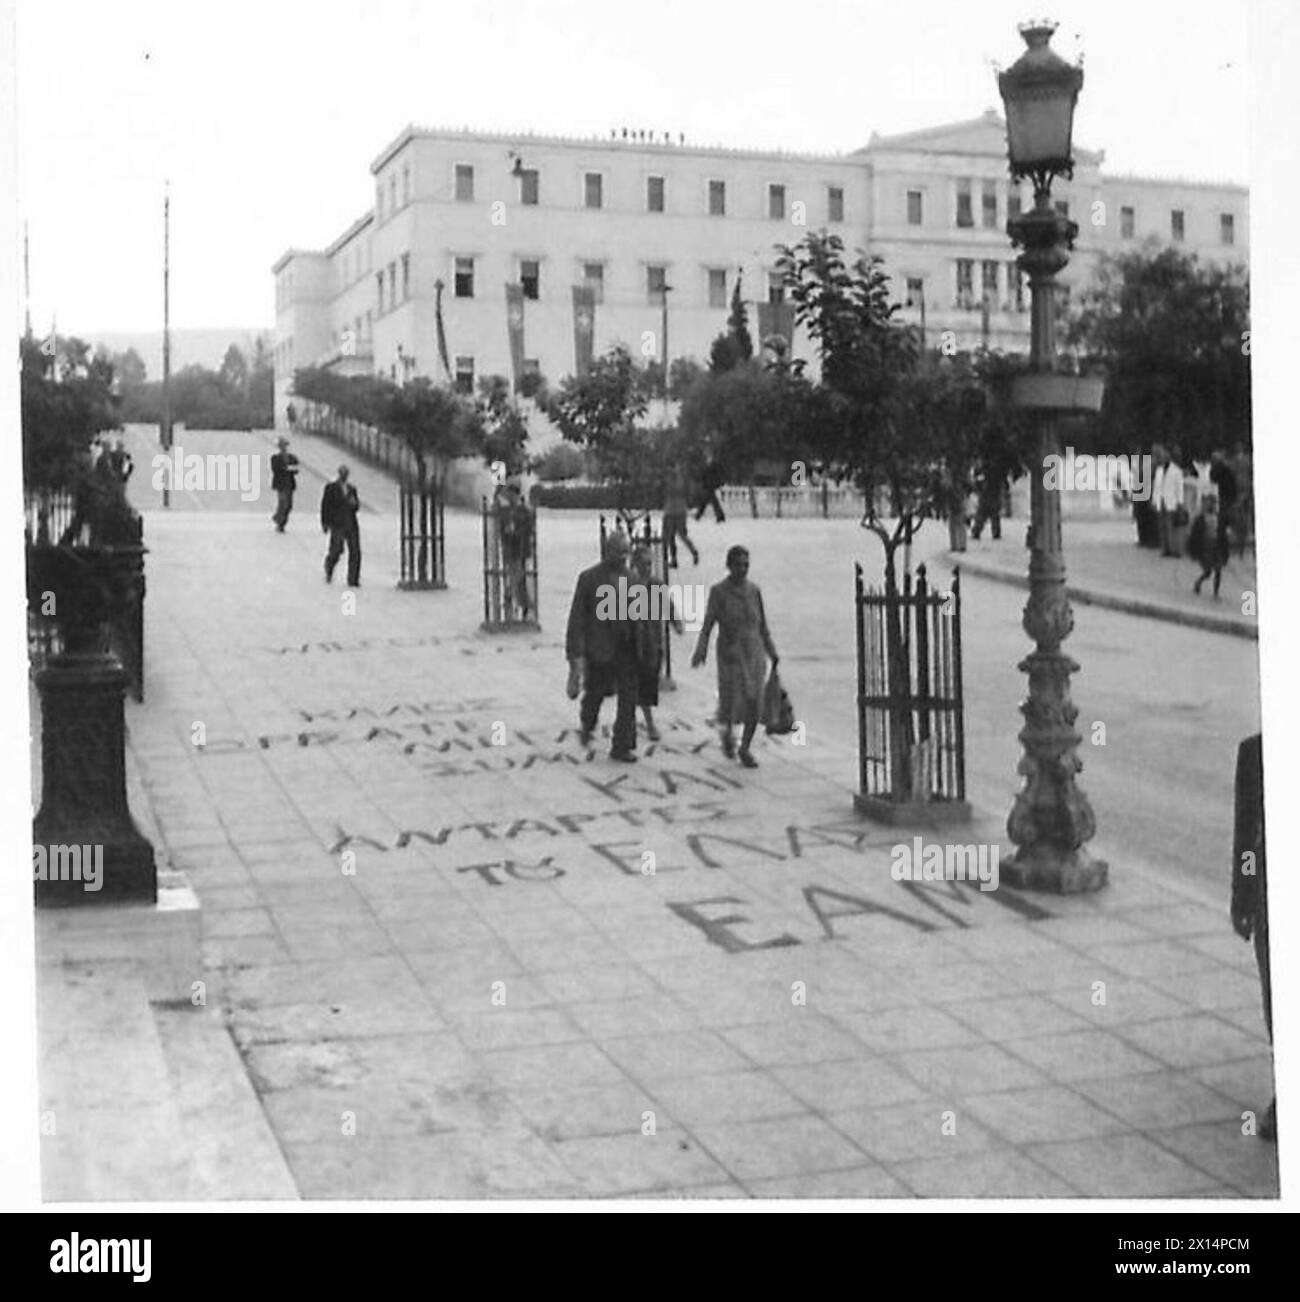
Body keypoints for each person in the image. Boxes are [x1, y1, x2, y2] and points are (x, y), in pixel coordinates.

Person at [691, 544, 778, 768]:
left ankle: (746, 747)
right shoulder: (719, 592)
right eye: (738, 565)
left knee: (755, 703)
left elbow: (763, 625)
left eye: (746, 565)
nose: (743, 569)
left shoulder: (754, 591)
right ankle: (727, 733)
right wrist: (701, 648)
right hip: (730, 653)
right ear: (729, 566)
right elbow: (708, 623)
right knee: (730, 701)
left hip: (754, 654)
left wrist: (771, 650)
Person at [1231, 733, 1273, 1141]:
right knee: (1277, 995)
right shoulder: (1255, 752)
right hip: (1271, 897)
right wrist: (1243, 896)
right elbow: (1247, 839)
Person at [565, 531, 639, 761]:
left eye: (627, 552)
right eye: (619, 552)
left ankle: (622, 745)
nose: (623, 557)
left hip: (625, 648)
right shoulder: (589, 578)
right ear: (607, 552)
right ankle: (588, 724)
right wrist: (575, 654)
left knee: (628, 698)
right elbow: (577, 617)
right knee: (595, 694)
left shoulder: (632, 579)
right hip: (599, 648)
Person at [629, 542, 681, 742]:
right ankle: (646, 723)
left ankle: (642, 719)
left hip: (653, 643)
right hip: (632, 644)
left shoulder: (656, 585)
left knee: (648, 685)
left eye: (650, 563)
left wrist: (676, 623)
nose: (647, 567)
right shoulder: (626, 586)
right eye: (643, 563)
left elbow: (668, 607)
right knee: (633, 685)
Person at [320, 464, 361, 586]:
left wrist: (354, 504)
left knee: (355, 551)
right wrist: (325, 523)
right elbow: (325, 506)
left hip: (351, 524)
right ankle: (329, 566)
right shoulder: (331, 488)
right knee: (337, 550)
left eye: (346, 474)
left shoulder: (352, 489)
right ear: (339, 474)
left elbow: (356, 506)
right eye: (342, 473)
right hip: (337, 524)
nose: (344, 476)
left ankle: (353, 579)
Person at [496, 483, 533, 619]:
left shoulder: (523, 511)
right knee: (514, 578)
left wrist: (514, 532)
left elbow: (527, 530)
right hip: (510, 550)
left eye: (510, 494)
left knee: (518, 579)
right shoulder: (507, 511)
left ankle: (521, 604)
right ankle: (515, 604)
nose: (509, 497)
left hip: (519, 550)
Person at [1188, 494, 1228, 598]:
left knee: (1218, 570)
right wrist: (1193, 551)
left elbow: (1223, 536)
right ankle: (1198, 583)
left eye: (1214, 503)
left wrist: (1225, 552)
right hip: (1205, 547)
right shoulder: (1200, 519)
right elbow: (1194, 536)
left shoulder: (1219, 518)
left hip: (1216, 547)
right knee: (1208, 571)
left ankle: (1215, 593)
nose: (1212, 506)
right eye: (1210, 503)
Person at [1153, 443, 1186, 557]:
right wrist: (1154, 501)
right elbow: (1156, 486)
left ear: (1168, 457)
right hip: (1160, 501)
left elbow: (1180, 488)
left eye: (1164, 457)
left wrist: (1180, 503)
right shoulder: (1159, 470)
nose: (1162, 458)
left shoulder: (1176, 471)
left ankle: (1174, 549)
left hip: (1171, 502)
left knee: (1172, 527)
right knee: (1162, 527)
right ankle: (1165, 549)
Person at [662, 466, 698, 567]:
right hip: (680, 509)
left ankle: (673, 559)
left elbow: (667, 491)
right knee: (678, 535)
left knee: (670, 536)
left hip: (671, 510)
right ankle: (691, 552)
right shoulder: (683, 478)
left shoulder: (672, 478)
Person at [1209, 449, 1239, 559]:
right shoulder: (1225, 470)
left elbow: (1214, 479)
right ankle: (1223, 550)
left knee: (1222, 527)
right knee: (1222, 528)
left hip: (1225, 501)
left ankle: (1223, 551)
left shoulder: (1221, 470)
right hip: (1226, 500)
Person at [270, 436, 300, 532]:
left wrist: (291, 469)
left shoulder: (292, 457)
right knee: (283, 503)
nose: (283, 448)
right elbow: (275, 469)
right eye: (281, 446)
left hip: (290, 484)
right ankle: (280, 523)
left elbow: (296, 469)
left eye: (285, 446)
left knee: (289, 505)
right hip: (281, 484)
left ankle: (279, 519)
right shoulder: (275, 457)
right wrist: (286, 469)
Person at [694, 456, 727, 523]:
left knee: (710, 502)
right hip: (708, 487)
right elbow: (702, 476)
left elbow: (718, 475)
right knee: (708, 502)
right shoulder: (706, 468)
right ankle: (720, 516)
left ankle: (698, 516)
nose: (709, 461)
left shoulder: (714, 467)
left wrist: (719, 483)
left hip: (711, 486)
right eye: (708, 459)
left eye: (710, 459)